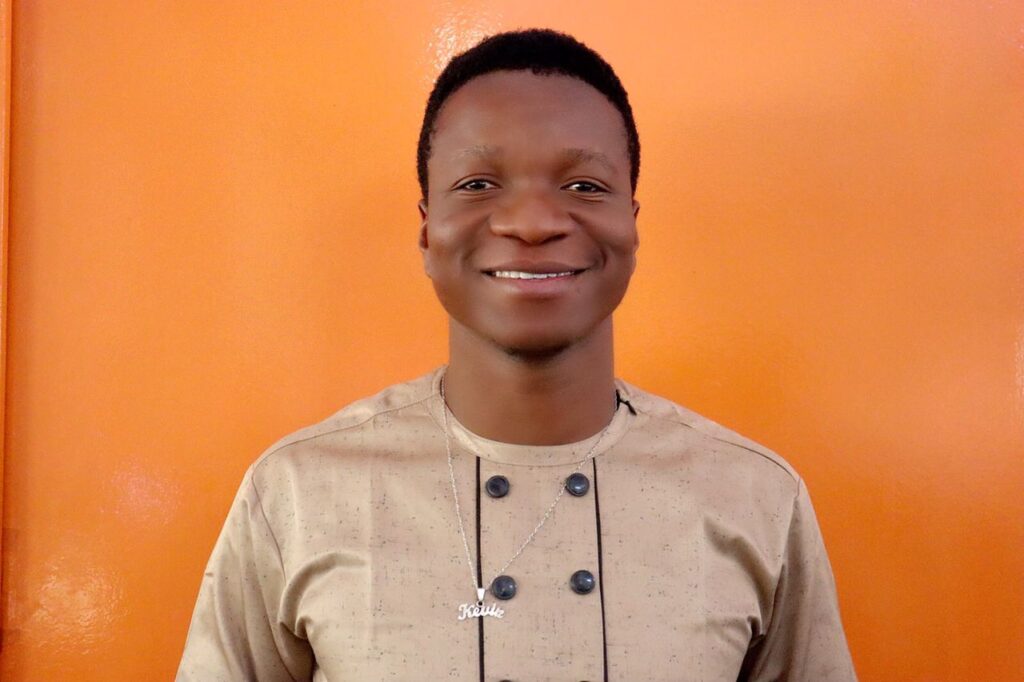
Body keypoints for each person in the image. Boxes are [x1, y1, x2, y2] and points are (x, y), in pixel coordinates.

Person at [177, 28, 857, 681]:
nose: (532, 223)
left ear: (632, 225)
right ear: (426, 232)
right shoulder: (298, 494)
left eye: (584, 186)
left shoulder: (755, 496)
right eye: (478, 184)